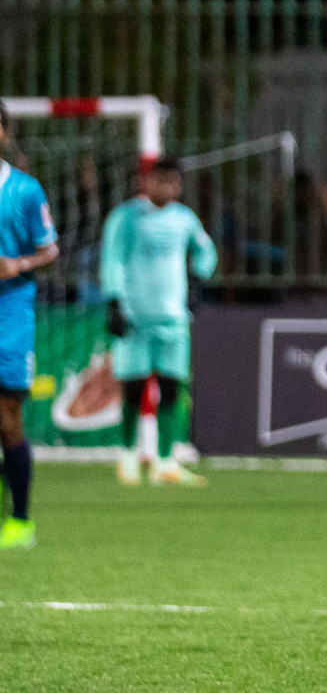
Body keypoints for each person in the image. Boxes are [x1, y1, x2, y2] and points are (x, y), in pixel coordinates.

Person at [100, 156, 217, 487]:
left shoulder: (185, 220)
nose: (164, 187)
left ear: (178, 186)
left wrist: (198, 278)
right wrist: (114, 302)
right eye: (158, 180)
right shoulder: (126, 217)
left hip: (174, 319)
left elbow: (206, 251)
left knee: (171, 387)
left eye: (171, 182)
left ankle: (166, 461)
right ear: (147, 182)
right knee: (134, 388)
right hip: (135, 316)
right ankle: (126, 456)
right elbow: (113, 260)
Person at [0, 101, 61, 550]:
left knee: (7, 417)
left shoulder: (25, 191)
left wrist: (18, 262)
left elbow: (50, 249)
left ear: (4, 133)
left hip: (10, 311)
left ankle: (20, 521)